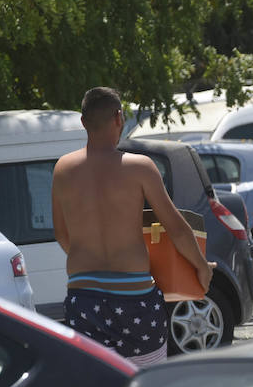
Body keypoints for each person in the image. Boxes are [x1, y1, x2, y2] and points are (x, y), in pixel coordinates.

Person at [52, 87, 214, 366]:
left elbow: (62, 234)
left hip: (83, 297)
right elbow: (175, 227)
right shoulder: (140, 167)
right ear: (118, 118)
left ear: (83, 122)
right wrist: (200, 265)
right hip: (134, 297)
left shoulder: (63, 169)